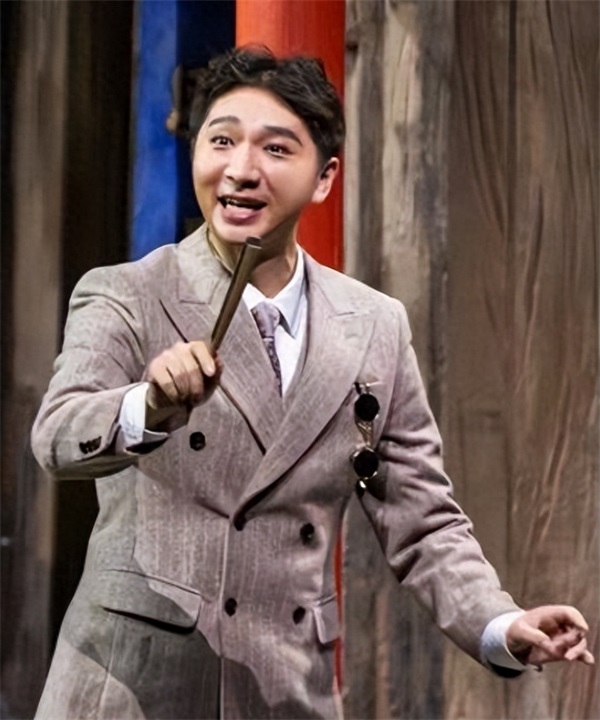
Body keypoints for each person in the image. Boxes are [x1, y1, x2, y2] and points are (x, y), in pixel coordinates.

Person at [31, 46, 593, 720]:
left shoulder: (374, 324)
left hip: (286, 687)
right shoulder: (129, 293)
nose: (241, 169)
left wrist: (500, 624)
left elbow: (423, 519)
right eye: (221, 141)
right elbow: (57, 436)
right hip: (133, 686)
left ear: (324, 178)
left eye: (275, 149)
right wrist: (145, 406)